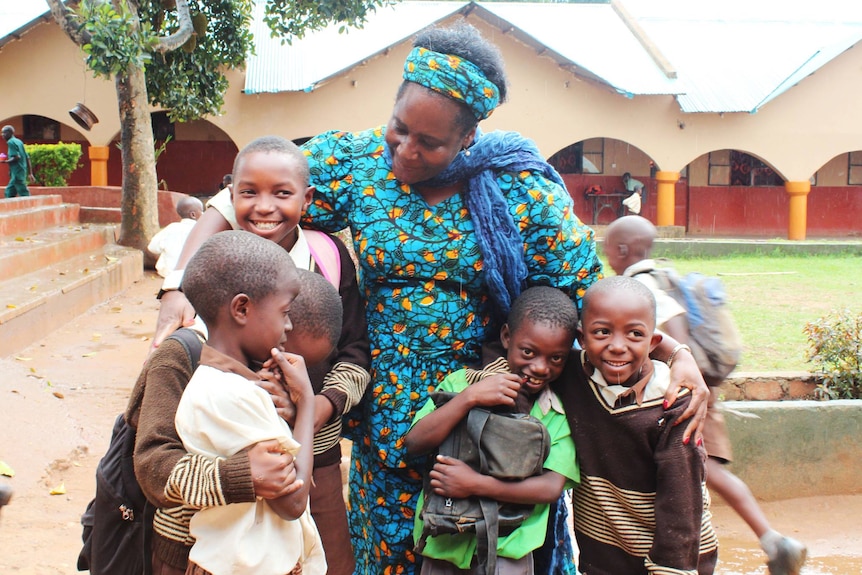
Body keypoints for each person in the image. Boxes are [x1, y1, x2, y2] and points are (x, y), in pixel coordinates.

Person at [152, 22, 709, 575]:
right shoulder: (358, 164)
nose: (406, 150)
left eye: (430, 142)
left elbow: (598, 289)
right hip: (386, 413)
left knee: (483, 555)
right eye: (400, 128)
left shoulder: (517, 187)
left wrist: (677, 354)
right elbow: (240, 197)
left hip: (487, 414)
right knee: (388, 556)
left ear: (468, 138)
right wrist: (179, 283)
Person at [132, 136, 370, 575]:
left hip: (311, 473)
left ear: (306, 198)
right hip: (201, 535)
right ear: (229, 194)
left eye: (282, 193)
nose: (264, 207)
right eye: (249, 192)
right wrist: (239, 475)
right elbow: (154, 461)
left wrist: (317, 405)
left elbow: (356, 354)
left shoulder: (330, 260)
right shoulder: (204, 286)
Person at [602, 215, 808, 575]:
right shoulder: (664, 273)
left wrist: (673, 378)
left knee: (707, 467)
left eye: (606, 247)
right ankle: (771, 541)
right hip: (695, 390)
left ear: (621, 250)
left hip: (685, 393)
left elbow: (676, 337)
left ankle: (774, 541)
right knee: (704, 468)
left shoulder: (643, 284)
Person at [175, 230, 326, 575]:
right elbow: (292, 501)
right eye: (284, 312)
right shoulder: (228, 394)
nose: (288, 326)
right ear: (242, 308)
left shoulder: (237, 385)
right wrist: (305, 404)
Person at [405, 286, 580, 575]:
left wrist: (474, 484)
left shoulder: (554, 412)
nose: (539, 367)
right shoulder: (461, 383)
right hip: (444, 543)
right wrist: (468, 398)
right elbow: (415, 441)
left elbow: (551, 488)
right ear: (507, 337)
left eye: (556, 358)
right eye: (528, 351)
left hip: (507, 554)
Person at [554, 276, 718, 574]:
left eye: (634, 335)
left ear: (653, 342)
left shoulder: (674, 405)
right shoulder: (572, 376)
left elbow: (681, 503)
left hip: (671, 557)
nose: (617, 347)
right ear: (581, 338)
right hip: (604, 553)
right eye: (602, 332)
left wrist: (671, 568)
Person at [147, 195, 204, 278]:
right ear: (193, 215)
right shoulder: (201, 230)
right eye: (202, 211)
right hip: (191, 274)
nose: (203, 214)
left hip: (167, 272)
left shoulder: (171, 228)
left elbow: (152, 247)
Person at [2, 125, 34, 198]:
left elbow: (16, 157)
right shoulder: (19, 141)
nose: (3, 135)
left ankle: (29, 206)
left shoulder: (10, 142)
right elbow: (27, 157)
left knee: (23, 193)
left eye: (4, 133)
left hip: (17, 172)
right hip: (19, 171)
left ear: (10, 133)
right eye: (2, 133)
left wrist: (5, 161)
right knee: (9, 192)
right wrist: (30, 173)